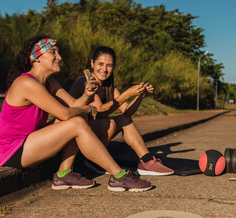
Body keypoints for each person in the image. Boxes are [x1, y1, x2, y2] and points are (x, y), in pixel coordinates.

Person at [0, 36, 151, 192]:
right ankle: (119, 175)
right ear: (36, 58)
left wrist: (86, 94)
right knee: (76, 121)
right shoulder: (26, 83)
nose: (59, 57)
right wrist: (89, 109)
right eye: (53, 52)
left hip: (32, 141)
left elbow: (74, 105)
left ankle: (64, 173)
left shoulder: (51, 83)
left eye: (58, 52)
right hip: (14, 150)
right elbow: (65, 114)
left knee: (79, 118)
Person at [70, 46, 174, 176]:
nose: (104, 69)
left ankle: (146, 161)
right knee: (110, 123)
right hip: (77, 138)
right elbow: (100, 111)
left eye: (109, 65)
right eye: (100, 64)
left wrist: (140, 95)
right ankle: (94, 161)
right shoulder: (85, 82)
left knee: (125, 120)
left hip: (93, 133)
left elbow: (127, 112)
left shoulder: (109, 87)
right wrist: (126, 94)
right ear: (92, 63)